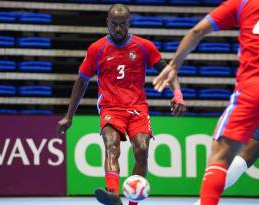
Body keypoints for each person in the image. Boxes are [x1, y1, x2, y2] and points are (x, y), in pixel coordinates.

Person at [153, 0, 259, 204]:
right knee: (245, 156)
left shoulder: (243, 3)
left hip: (254, 89)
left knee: (222, 156)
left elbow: (197, 31)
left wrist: (174, 65)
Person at [57, 4, 186, 205]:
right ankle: (113, 195)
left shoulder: (144, 46)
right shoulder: (97, 49)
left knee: (142, 149)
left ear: (129, 23)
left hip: (138, 108)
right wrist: (69, 115)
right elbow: (81, 81)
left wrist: (177, 94)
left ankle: (133, 202)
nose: (118, 29)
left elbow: (168, 72)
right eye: (114, 24)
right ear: (107, 23)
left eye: (123, 24)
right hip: (110, 108)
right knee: (111, 145)